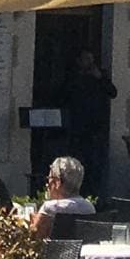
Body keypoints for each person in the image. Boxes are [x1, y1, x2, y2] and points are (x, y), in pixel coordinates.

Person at [61, 49, 116, 195]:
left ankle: (96, 197)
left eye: (91, 60)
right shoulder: (73, 77)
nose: (89, 63)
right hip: (77, 126)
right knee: (76, 163)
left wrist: (100, 79)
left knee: (96, 165)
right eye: (86, 59)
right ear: (79, 61)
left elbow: (113, 92)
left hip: (96, 128)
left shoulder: (100, 76)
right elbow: (64, 95)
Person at [28, 156, 96, 235]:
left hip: (52, 247)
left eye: (49, 178)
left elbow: (34, 236)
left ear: (57, 182)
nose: (47, 184)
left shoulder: (50, 207)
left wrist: (33, 221)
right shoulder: (89, 208)